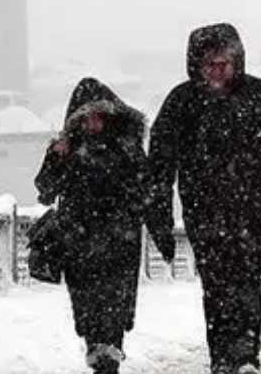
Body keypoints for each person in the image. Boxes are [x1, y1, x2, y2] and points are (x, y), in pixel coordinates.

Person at [146, 23, 261, 374]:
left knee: (247, 279)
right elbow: (160, 164)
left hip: (252, 208)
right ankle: (223, 358)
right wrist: (158, 215)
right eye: (210, 64)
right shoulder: (182, 102)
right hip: (203, 210)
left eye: (224, 63)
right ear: (197, 65)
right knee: (216, 284)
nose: (217, 71)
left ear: (236, 62)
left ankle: (245, 355)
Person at [35, 77, 174, 374]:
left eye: (98, 116)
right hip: (79, 242)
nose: (93, 123)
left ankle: (108, 353)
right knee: (87, 307)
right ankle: (99, 350)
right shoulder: (69, 150)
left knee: (115, 306)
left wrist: (162, 233)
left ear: (110, 116)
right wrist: (55, 158)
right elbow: (45, 190)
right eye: (85, 118)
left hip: (119, 241)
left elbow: (148, 193)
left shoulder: (127, 149)